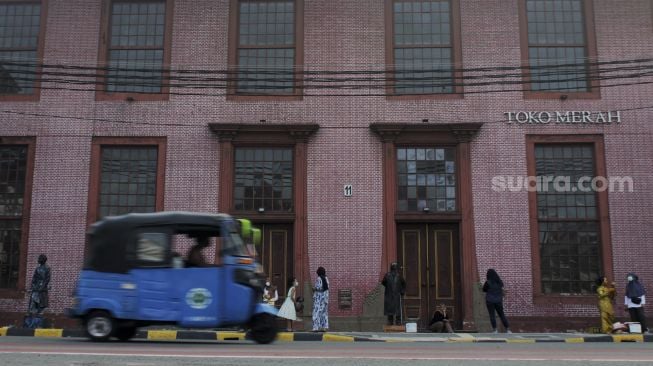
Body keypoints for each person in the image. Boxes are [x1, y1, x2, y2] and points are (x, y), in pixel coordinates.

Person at [482, 268, 511, 333]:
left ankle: (495, 329)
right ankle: (508, 329)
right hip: (498, 300)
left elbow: (484, 289)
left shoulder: (488, 282)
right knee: (501, 314)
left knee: (492, 315)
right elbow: (501, 288)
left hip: (490, 300)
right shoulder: (499, 282)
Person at [312, 266, 329, 332]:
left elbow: (319, 287)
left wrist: (314, 289)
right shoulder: (326, 278)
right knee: (324, 313)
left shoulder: (319, 278)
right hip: (325, 298)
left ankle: (315, 328)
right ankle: (324, 327)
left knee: (316, 312)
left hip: (319, 298)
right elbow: (326, 288)